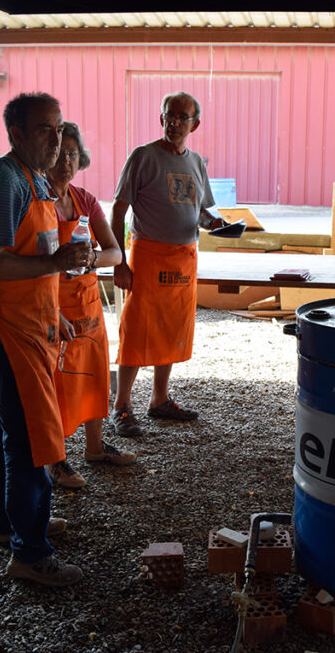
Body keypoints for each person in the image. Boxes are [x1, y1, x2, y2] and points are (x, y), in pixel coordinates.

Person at [0, 92, 93, 586]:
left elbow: (33, 249)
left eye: (59, 128)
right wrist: (55, 266)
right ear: (15, 133)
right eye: (44, 129)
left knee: (6, 427)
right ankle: (30, 552)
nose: (55, 138)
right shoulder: (2, 181)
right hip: (7, 328)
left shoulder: (34, 178)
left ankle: (10, 524)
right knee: (31, 441)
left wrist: (52, 307)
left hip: (32, 321)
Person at [109, 91, 227, 437]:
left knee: (173, 327)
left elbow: (203, 212)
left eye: (182, 117)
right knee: (137, 328)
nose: (174, 122)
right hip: (147, 254)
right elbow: (118, 210)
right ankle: (122, 406)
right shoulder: (143, 157)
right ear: (160, 118)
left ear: (196, 124)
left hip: (184, 256)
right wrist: (119, 261)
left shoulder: (196, 163)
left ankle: (159, 399)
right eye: (168, 115)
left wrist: (217, 225)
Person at [44, 121, 137, 489]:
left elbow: (115, 251)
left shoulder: (86, 200)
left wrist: (91, 259)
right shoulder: (38, 200)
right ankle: (56, 458)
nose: (66, 161)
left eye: (72, 154)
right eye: (59, 154)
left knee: (96, 372)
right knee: (57, 380)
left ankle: (95, 447)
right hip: (53, 301)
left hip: (87, 301)